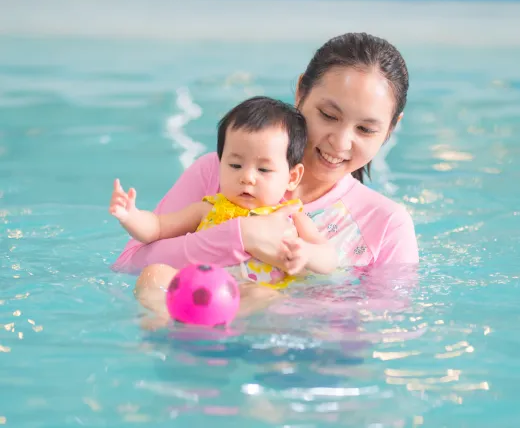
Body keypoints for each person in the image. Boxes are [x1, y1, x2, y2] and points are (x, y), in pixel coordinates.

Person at [112, 32, 419, 319]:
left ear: (392, 127)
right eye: (328, 115)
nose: (340, 142)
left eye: (365, 129)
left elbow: (383, 320)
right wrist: (239, 237)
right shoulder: (218, 172)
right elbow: (128, 266)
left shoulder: (387, 225)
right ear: (301, 91)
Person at [109, 97, 338, 282]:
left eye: (264, 169)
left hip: (255, 296)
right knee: (154, 275)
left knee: (260, 294)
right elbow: (157, 228)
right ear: (220, 165)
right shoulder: (208, 208)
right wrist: (130, 216)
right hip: (201, 288)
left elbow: (329, 259)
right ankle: (157, 329)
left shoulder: (291, 217)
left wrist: (305, 253)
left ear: (292, 177)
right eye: (235, 165)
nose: (247, 177)